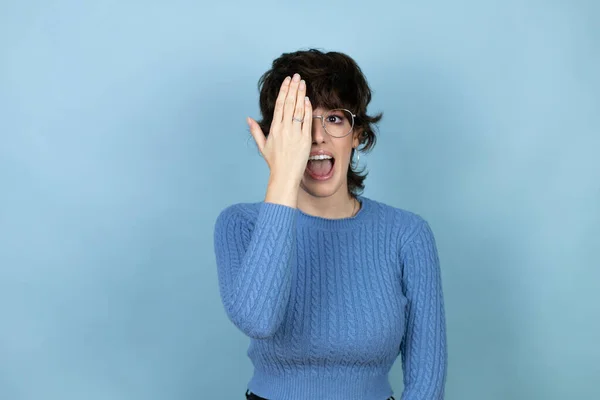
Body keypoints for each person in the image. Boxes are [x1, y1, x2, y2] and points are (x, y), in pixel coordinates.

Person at [213, 49, 447, 400]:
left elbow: (427, 382)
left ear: (357, 134)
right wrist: (282, 176)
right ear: (275, 139)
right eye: (300, 122)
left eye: (334, 118)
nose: (317, 136)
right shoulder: (240, 224)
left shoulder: (407, 235)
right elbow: (258, 320)